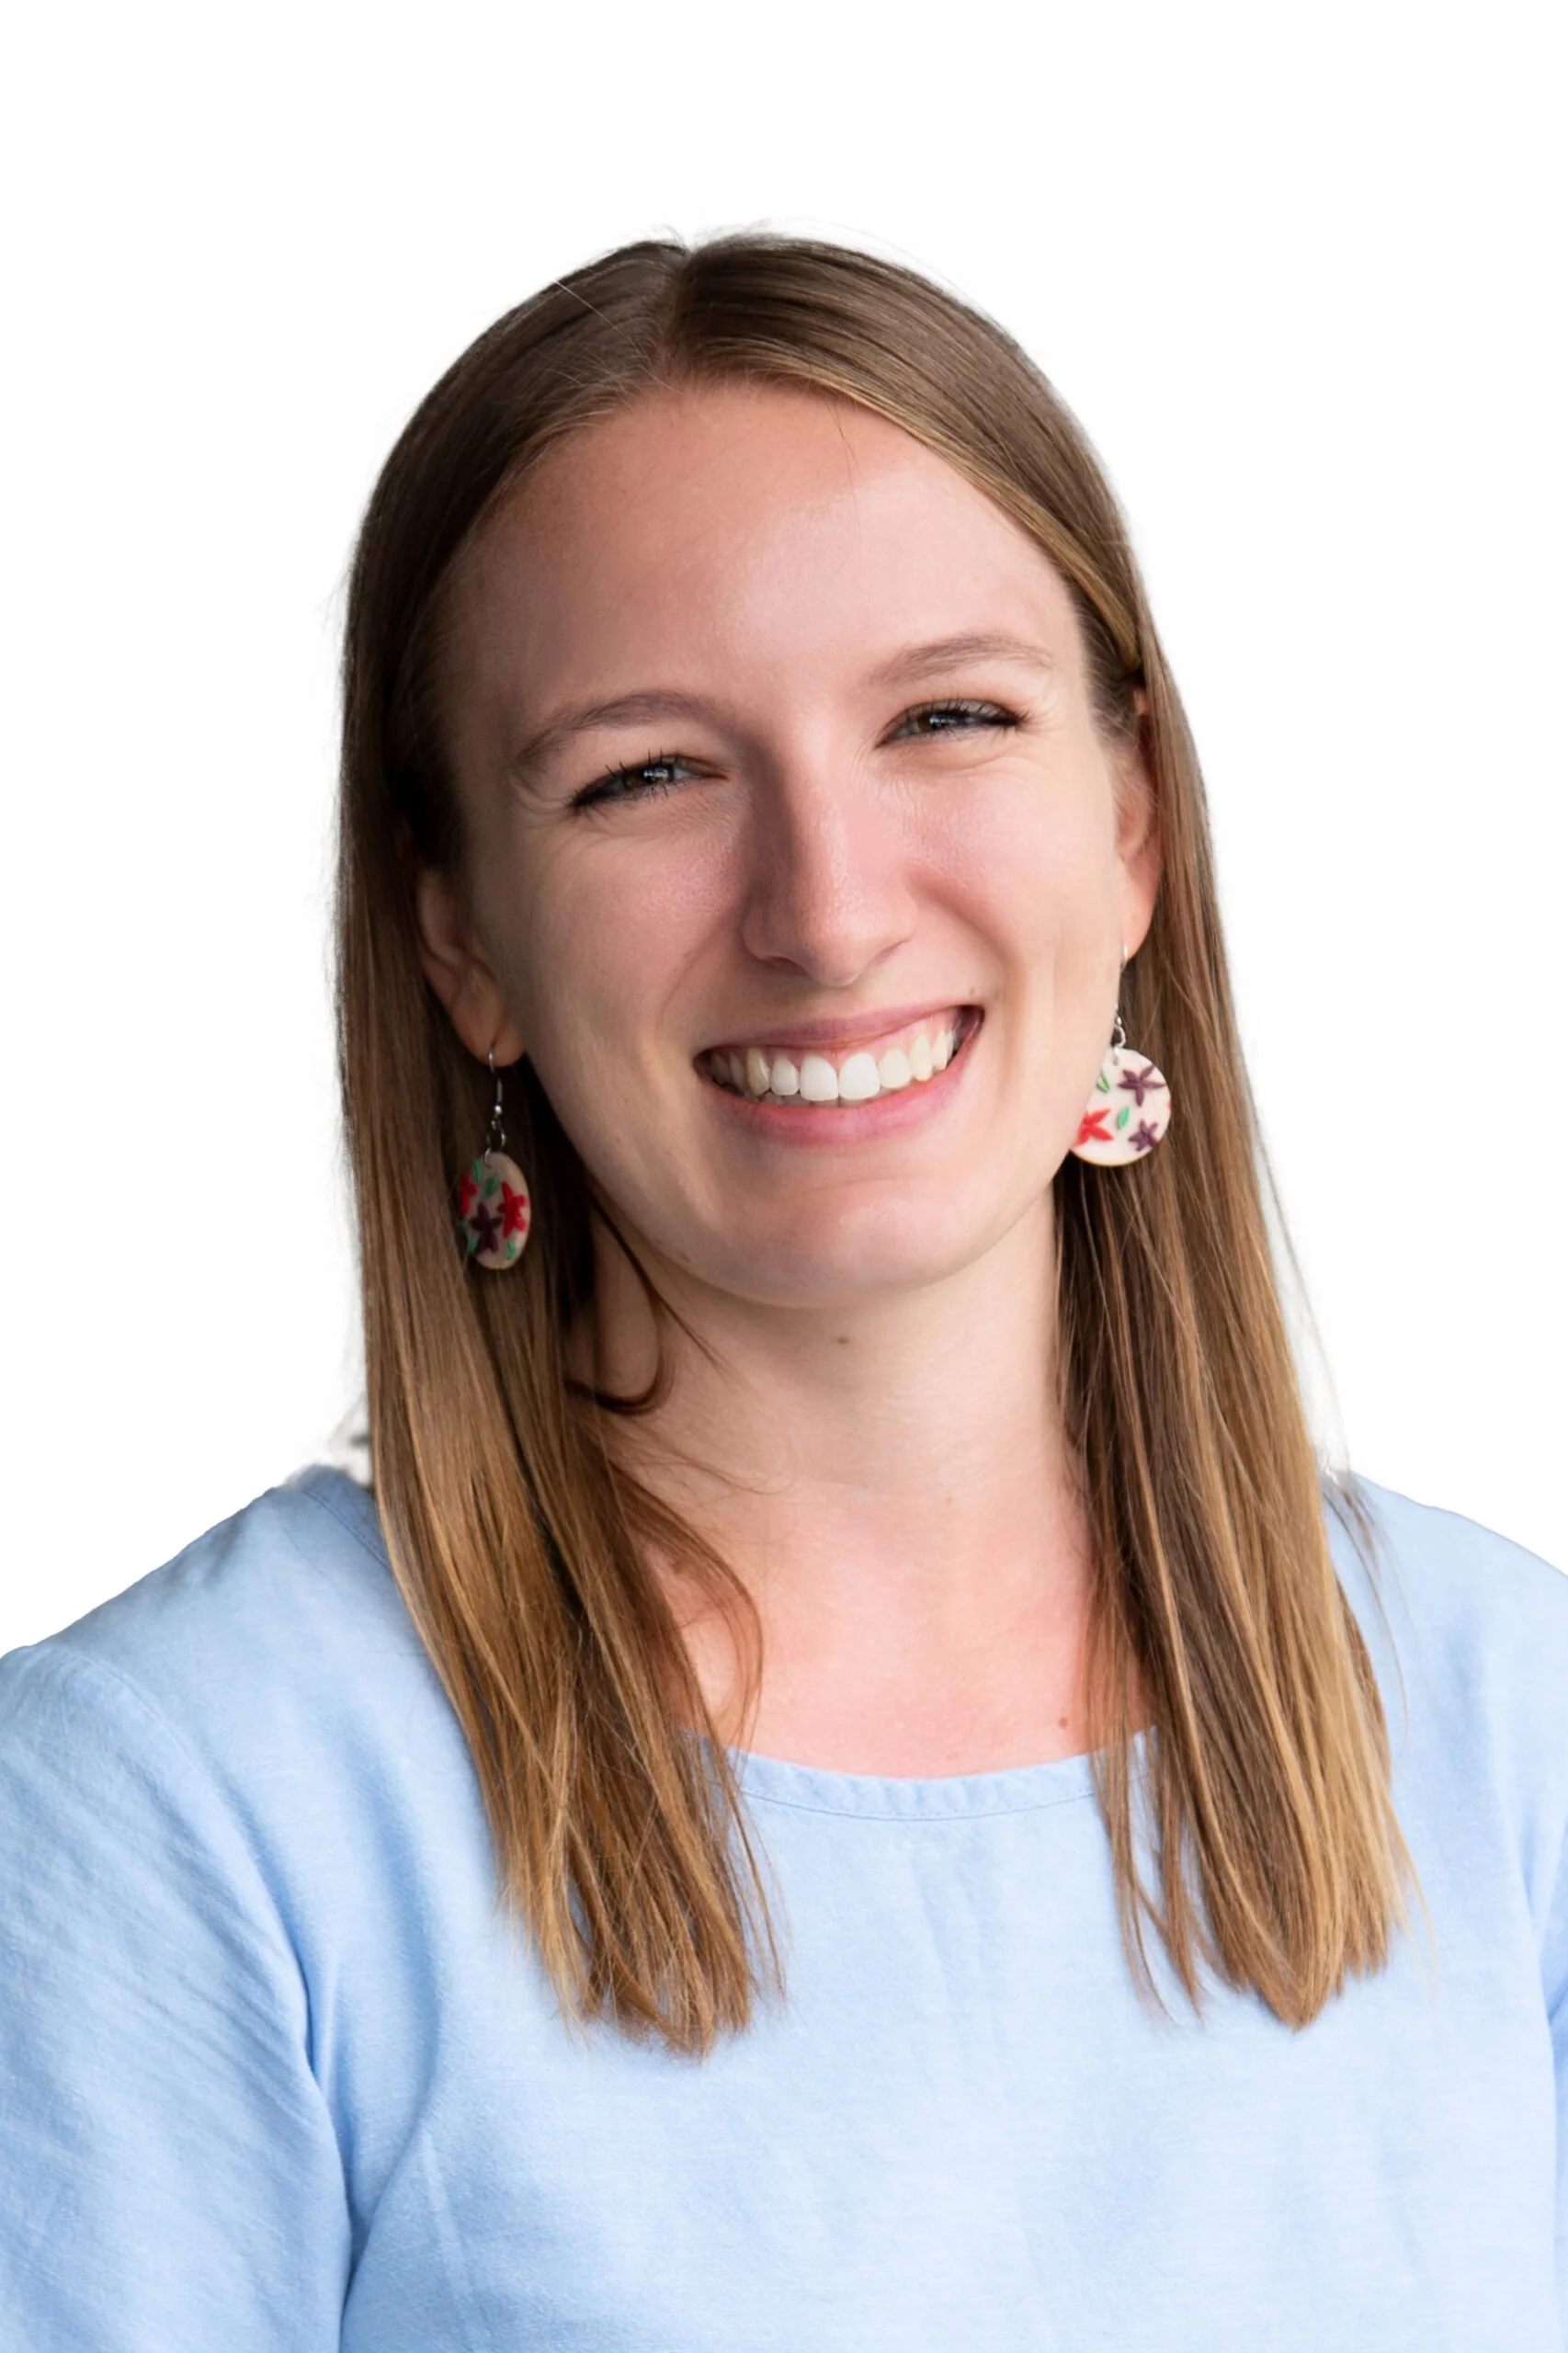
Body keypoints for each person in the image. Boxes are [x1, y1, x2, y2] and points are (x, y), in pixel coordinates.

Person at [1, 233, 1563, 2351]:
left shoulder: (1509, 1717)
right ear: (461, 938)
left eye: (946, 717)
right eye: (647, 772)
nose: (826, 913)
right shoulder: (165, 1806)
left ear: (1130, 825)